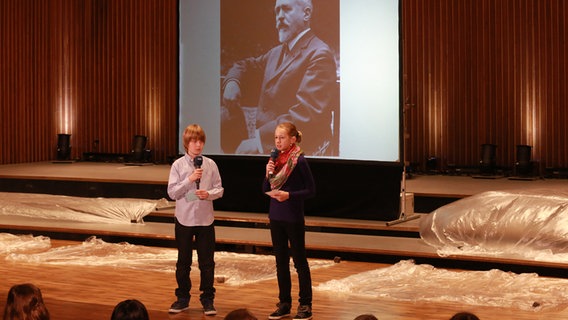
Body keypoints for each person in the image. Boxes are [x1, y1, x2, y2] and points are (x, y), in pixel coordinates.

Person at [222, 0, 339, 157]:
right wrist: (232, 81)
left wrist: (258, 142)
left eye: (286, 9)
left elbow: (305, 115)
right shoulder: (276, 52)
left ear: (306, 14)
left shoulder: (319, 54)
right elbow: (245, 66)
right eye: (277, 11)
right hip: (273, 151)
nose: (279, 17)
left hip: (299, 156)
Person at [167, 124, 224, 316]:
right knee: (183, 262)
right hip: (184, 219)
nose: (198, 145)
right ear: (187, 143)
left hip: (205, 219)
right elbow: (173, 193)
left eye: (200, 141)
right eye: (194, 141)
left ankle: (207, 299)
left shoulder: (210, 164)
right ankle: (182, 298)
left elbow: (220, 189)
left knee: (207, 263)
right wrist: (189, 179)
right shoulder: (178, 165)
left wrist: (207, 193)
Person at [263, 122, 316, 320]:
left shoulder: (299, 161)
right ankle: (284, 302)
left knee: (299, 262)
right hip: (275, 217)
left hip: (292, 217)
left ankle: (305, 304)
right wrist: (268, 171)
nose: (278, 141)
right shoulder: (273, 161)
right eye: (276, 137)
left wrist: (290, 195)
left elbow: (311, 190)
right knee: (280, 262)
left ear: (292, 139)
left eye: (282, 137)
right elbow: (263, 189)